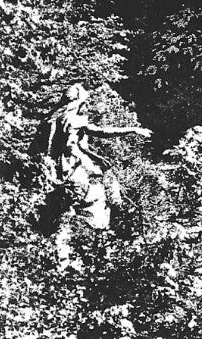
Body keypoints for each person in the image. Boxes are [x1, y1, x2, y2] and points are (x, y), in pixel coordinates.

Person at [39, 83, 151, 240]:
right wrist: (132, 129)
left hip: (56, 164)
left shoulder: (53, 119)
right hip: (71, 162)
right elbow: (102, 132)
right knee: (105, 175)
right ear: (79, 102)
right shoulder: (75, 121)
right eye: (85, 102)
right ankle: (117, 209)